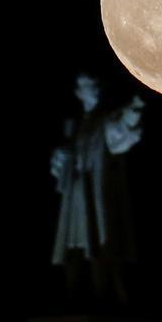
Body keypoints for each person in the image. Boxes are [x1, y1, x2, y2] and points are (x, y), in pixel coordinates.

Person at [50, 72, 144, 305]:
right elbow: (60, 164)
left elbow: (122, 131)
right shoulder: (77, 125)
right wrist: (61, 156)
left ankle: (103, 296)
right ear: (79, 92)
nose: (96, 88)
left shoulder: (105, 120)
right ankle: (73, 297)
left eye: (97, 84)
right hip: (77, 194)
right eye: (90, 84)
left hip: (96, 194)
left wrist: (134, 112)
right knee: (74, 248)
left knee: (101, 244)